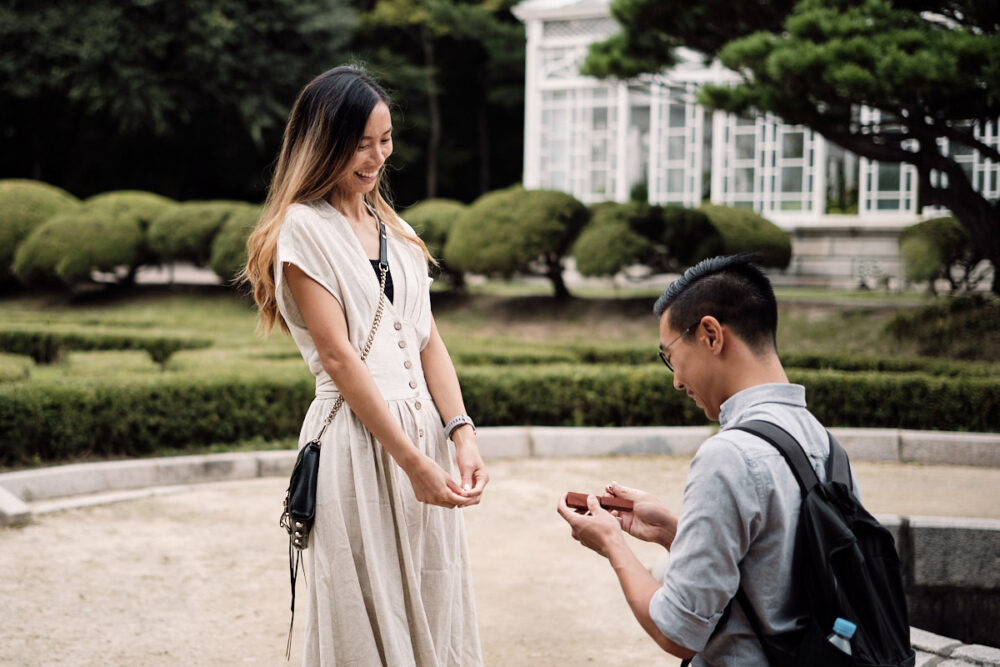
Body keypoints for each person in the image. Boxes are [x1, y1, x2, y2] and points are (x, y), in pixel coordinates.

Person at [243, 65, 487, 666]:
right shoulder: (303, 230)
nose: (378, 156)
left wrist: (460, 431)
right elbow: (337, 356)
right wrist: (413, 462)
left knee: (432, 599)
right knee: (362, 611)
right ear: (323, 144)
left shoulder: (394, 229)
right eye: (361, 144)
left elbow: (428, 338)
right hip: (357, 443)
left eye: (385, 139)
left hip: (422, 438)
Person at [556, 254, 860, 665]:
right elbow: (774, 576)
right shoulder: (825, 443)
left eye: (670, 356)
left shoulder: (728, 454)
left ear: (711, 335)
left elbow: (678, 631)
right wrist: (672, 533)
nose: (677, 380)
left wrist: (612, 543)